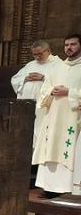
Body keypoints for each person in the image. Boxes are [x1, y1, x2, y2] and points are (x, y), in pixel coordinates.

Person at [33, 33, 81, 197]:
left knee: (67, 150)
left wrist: (69, 92)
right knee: (50, 148)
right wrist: (50, 92)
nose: (69, 47)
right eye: (66, 44)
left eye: (73, 44)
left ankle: (65, 188)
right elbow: (44, 90)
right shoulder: (57, 67)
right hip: (53, 117)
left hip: (72, 118)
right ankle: (48, 187)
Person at [11, 40, 63, 150]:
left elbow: (62, 84)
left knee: (41, 135)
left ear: (48, 51)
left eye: (40, 54)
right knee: (26, 137)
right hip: (27, 107)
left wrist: (43, 78)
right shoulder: (30, 65)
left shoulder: (58, 65)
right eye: (35, 54)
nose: (37, 57)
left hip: (45, 108)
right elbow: (14, 79)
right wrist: (25, 78)